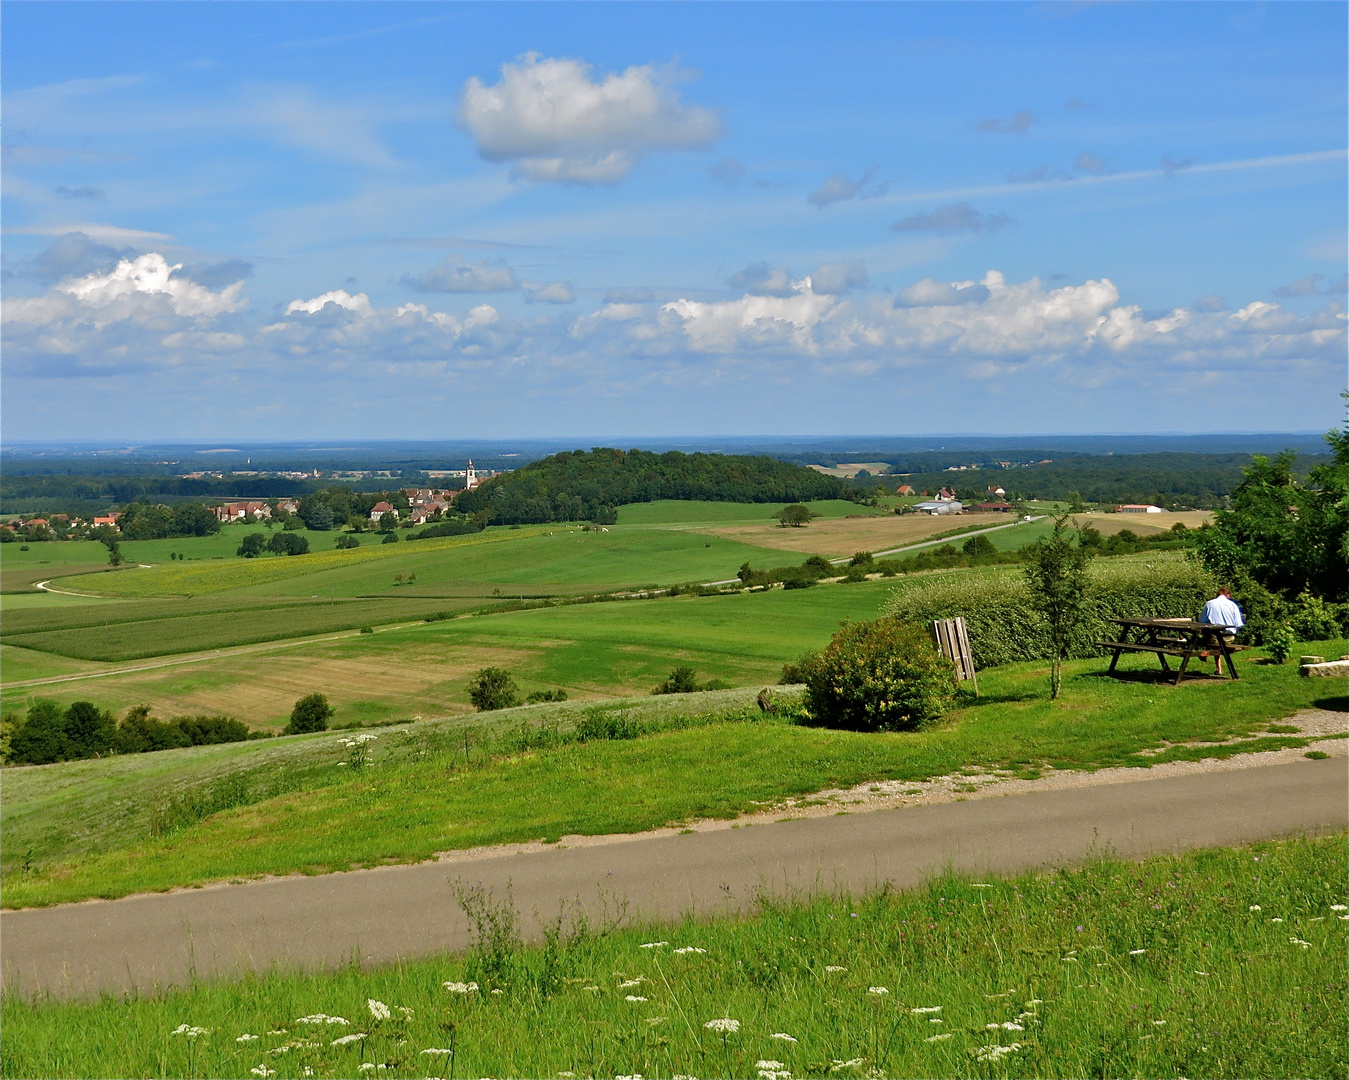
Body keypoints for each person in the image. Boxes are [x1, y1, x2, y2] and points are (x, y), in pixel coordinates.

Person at [1199, 586, 1244, 675]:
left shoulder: (1209, 604)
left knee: (1209, 639)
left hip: (1214, 636)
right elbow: (1238, 624)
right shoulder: (1233, 605)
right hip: (1229, 637)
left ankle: (1212, 660)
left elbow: (1202, 621)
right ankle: (1217, 667)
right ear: (1228, 595)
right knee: (1219, 644)